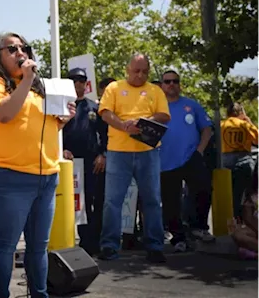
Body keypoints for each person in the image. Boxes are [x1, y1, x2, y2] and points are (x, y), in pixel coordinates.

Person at [0, 32, 75, 298]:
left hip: (45, 176)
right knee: (6, 245)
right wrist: (27, 80)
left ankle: (39, 294)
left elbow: (44, 125)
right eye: (12, 49)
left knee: (39, 247)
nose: (21, 53)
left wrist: (63, 119)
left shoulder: (38, 89)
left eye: (24, 48)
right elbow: (5, 114)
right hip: (10, 177)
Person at [98, 53, 170, 263]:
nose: (140, 75)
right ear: (127, 69)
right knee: (112, 201)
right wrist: (123, 126)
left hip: (148, 152)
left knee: (153, 201)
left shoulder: (155, 90)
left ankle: (155, 246)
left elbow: (164, 116)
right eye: (136, 71)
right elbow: (104, 112)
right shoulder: (113, 88)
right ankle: (109, 246)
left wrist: (145, 120)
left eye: (145, 72)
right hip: (118, 152)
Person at [158, 70, 214, 253]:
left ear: (179, 84)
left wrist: (199, 151)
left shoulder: (191, 105)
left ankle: (199, 227)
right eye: (167, 81)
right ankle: (178, 237)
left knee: (204, 188)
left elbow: (207, 129)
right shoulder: (156, 107)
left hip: (191, 157)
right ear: (162, 85)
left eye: (175, 81)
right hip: (165, 161)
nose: (171, 84)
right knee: (171, 201)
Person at [62, 67, 106, 256]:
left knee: (96, 200)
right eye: (74, 80)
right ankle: (84, 240)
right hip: (71, 162)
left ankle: (95, 242)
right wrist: (61, 149)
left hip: (93, 161)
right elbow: (55, 132)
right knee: (79, 204)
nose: (78, 84)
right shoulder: (63, 107)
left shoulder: (94, 107)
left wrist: (103, 154)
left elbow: (105, 133)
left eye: (81, 80)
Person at [220, 102, 259, 218]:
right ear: (240, 112)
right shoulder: (245, 125)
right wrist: (249, 121)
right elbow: (257, 139)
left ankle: (229, 219)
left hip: (226, 160)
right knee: (244, 194)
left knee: (227, 195)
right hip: (244, 160)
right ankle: (241, 219)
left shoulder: (222, 125)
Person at [229, 162, 259, 259]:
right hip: (255, 228)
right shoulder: (251, 192)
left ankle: (253, 254)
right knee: (237, 234)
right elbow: (248, 218)